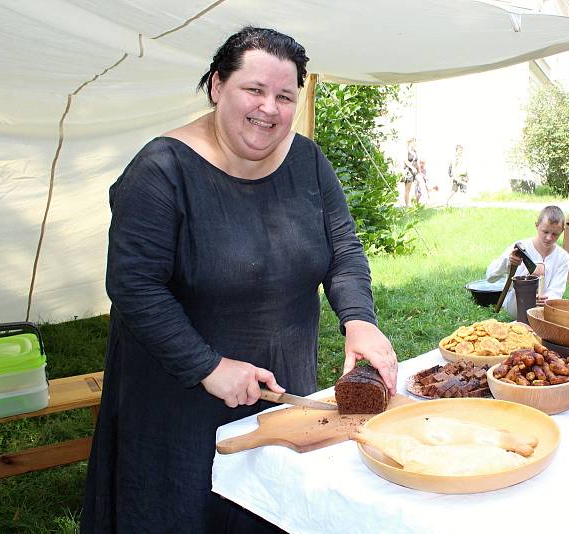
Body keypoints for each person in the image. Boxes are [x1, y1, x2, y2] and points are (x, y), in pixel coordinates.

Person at [81, 27, 398, 533]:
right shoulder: (161, 170)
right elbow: (134, 285)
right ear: (216, 86)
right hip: (178, 405)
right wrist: (207, 366)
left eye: (284, 96)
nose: (268, 109)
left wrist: (358, 320)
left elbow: (343, 251)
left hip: (277, 394)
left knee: (265, 509)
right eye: (254, 90)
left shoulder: (307, 161)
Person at [486, 206, 569, 318]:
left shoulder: (562, 257)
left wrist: (548, 299)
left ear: (562, 231)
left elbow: (557, 290)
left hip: (545, 311)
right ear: (536, 225)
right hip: (516, 306)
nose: (549, 238)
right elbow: (490, 277)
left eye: (555, 234)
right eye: (545, 231)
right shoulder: (520, 247)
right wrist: (508, 261)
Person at [401, 138, 419, 207]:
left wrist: (418, 170)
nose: (415, 144)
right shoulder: (407, 151)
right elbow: (406, 161)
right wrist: (412, 168)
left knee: (417, 187)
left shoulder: (415, 151)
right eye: (414, 142)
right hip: (409, 171)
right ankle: (407, 206)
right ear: (410, 142)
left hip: (415, 172)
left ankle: (416, 204)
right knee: (407, 190)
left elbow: (416, 161)